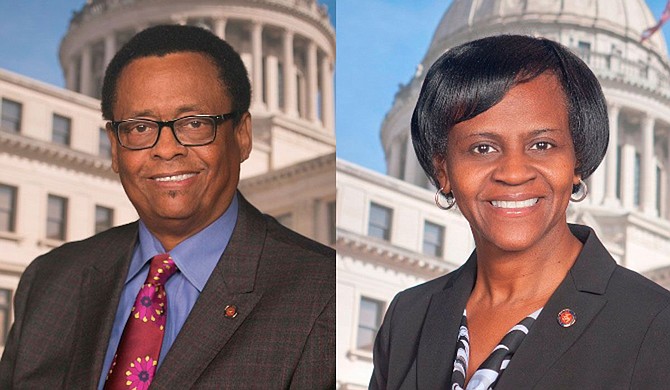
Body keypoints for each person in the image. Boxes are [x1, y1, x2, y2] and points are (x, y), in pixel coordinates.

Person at [0, 25, 334, 389]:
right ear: (114, 147)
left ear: (242, 136)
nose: (165, 148)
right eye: (140, 128)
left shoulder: (320, 294)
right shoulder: (50, 282)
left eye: (193, 123)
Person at [369, 35, 670, 390]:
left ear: (577, 160)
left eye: (542, 145)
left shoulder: (654, 324)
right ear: (443, 171)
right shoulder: (408, 317)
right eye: (482, 148)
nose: (513, 173)